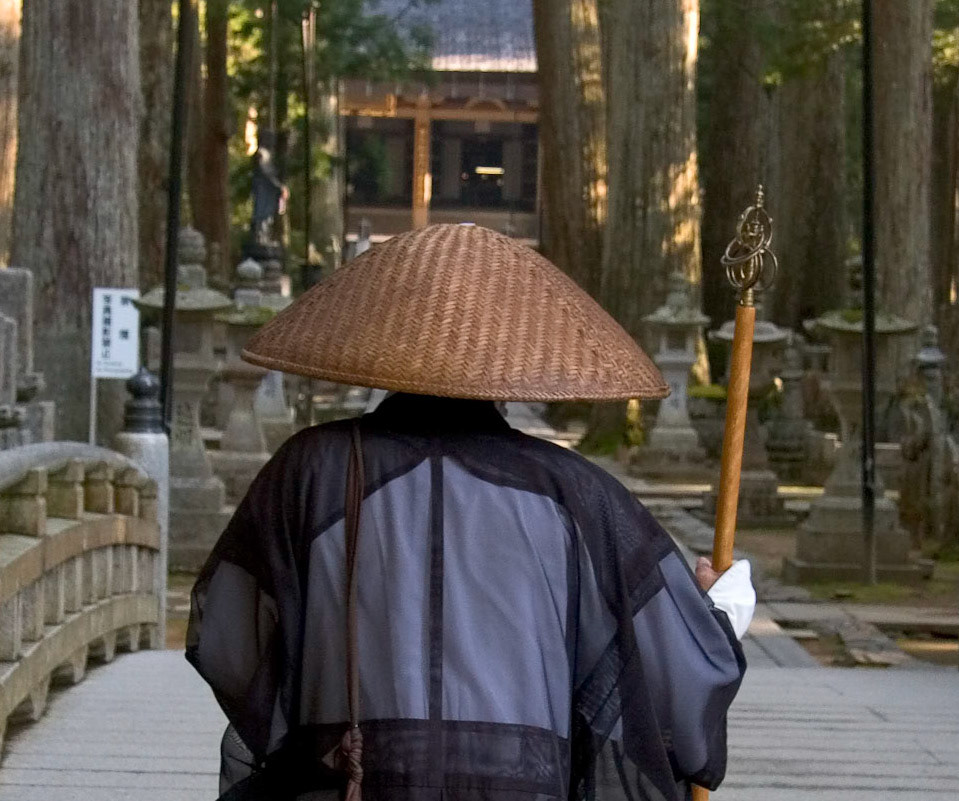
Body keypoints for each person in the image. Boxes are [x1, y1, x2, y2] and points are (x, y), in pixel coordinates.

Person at [187, 224, 755, 801]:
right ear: (511, 359)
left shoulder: (308, 472)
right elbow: (681, 688)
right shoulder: (575, 494)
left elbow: (230, 648)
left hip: (350, 781)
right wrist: (719, 611)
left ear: (381, 338)